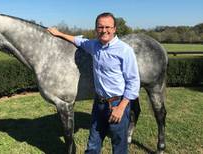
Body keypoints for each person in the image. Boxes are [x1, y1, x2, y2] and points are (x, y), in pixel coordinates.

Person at [47, 12, 140, 154]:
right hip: (99, 104)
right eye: (100, 27)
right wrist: (58, 33)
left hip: (117, 104)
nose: (104, 30)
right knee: (92, 145)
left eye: (108, 27)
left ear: (115, 29)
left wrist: (121, 107)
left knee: (119, 146)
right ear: (96, 29)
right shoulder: (94, 45)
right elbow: (77, 41)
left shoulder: (124, 51)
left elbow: (133, 82)